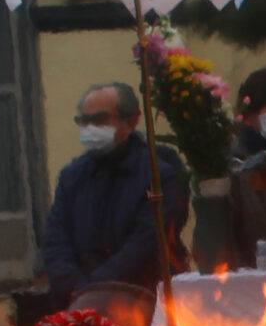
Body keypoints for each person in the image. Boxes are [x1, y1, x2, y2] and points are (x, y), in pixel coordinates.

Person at [40, 81, 185, 298]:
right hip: (77, 301)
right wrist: (72, 287)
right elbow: (55, 240)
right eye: (84, 121)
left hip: (142, 299)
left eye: (99, 120)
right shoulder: (73, 176)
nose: (90, 129)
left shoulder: (158, 176)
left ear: (131, 121)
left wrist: (93, 289)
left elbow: (145, 245)